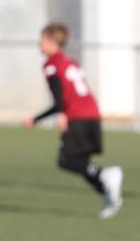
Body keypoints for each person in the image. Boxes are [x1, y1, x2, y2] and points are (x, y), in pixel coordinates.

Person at [24, 22, 123, 219]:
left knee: (66, 160)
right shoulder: (70, 62)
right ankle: (109, 196)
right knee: (81, 162)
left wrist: (60, 114)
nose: (40, 44)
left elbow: (59, 95)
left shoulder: (52, 64)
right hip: (92, 115)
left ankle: (107, 175)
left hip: (77, 116)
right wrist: (37, 119)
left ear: (53, 42)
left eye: (42, 40)